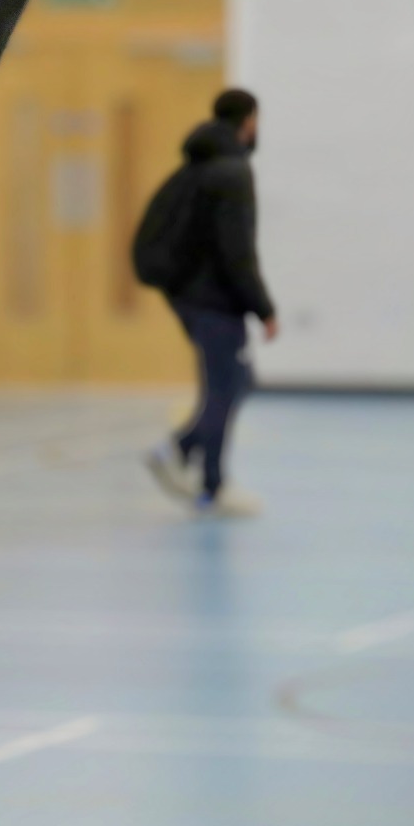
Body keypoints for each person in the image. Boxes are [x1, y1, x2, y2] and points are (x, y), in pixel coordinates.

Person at [145, 88, 278, 517]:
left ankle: (198, 471)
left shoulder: (198, 167)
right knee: (228, 386)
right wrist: (263, 308)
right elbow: (237, 250)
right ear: (247, 121)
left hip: (192, 298)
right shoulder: (233, 173)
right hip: (215, 301)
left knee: (231, 383)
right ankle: (195, 467)